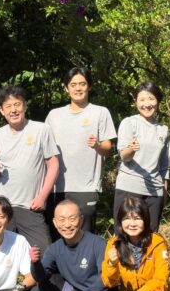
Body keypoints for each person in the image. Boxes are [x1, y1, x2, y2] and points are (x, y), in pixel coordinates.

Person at [32, 200, 115, 291]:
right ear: (55, 222)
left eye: (72, 219)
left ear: (81, 219)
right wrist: (35, 264)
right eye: (62, 220)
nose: (67, 225)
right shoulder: (54, 249)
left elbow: (107, 278)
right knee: (46, 282)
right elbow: (39, 276)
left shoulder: (98, 243)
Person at [0, 85, 59, 250]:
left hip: (30, 205)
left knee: (43, 254)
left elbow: (53, 165)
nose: (13, 110)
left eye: (17, 104)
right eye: (8, 106)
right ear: (1, 110)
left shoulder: (42, 130)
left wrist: (42, 197)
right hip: (1, 207)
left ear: (25, 105)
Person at [45, 68, 117, 233]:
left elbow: (108, 149)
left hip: (86, 188)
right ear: (66, 88)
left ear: (89, 86)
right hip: (57, 188)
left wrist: (97, 145)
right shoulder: (54, 115)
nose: (78, 88)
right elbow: (44, 151)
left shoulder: (100, 112)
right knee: (59, 239)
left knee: (84, 238)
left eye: (82, 84)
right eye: (73, 84)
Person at [114, 82, 170, 232]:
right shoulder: (129, 123)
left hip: (154, 192)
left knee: (151, 236)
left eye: (151, 99)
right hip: (129, 187)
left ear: (158, 101)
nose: (147, 104)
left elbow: (165, 165)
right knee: (124, 235)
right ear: (136, 102)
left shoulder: (163, 130)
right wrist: (131, 149)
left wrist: (163, 192)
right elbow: (124, 156)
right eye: (142, 100)